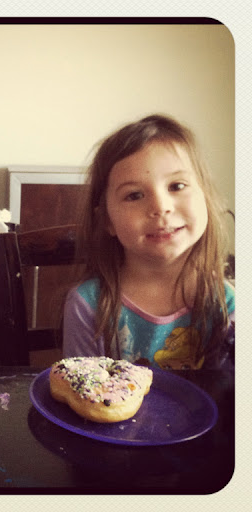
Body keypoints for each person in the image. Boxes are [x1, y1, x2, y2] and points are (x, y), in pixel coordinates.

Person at [63, 114, 235, 369]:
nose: (161, 207)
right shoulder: (87, 305)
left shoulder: (227, 302)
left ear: (205, 198)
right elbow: (82, 390)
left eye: (177, 186)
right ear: (107, 220)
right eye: (134, 195)